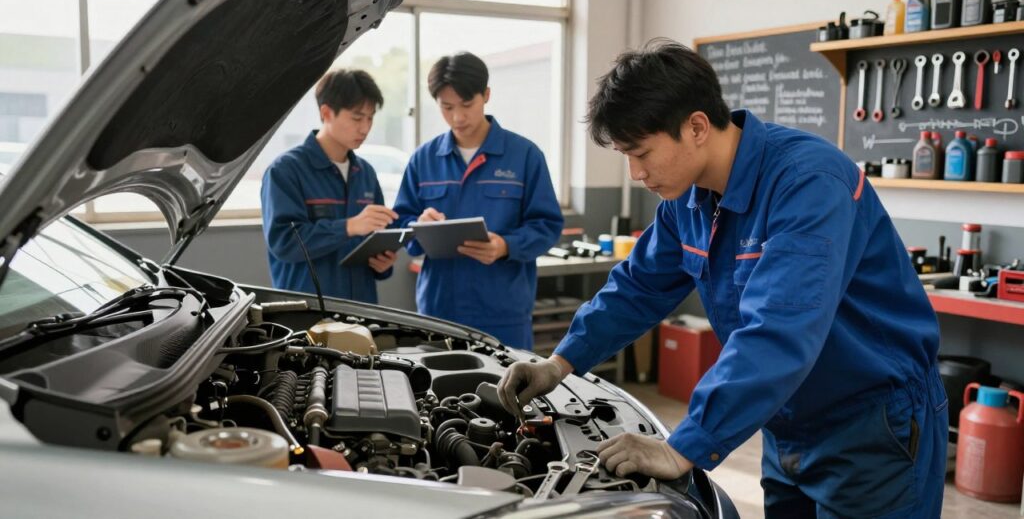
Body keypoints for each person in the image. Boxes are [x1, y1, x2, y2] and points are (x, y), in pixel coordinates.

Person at [497, 40, 947, 518]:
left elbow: (779, 330)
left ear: (695, 127)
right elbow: (638, 286)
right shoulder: (686, 200)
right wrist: (560, 364)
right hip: (787, 420)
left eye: (642, 153)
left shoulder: (808, 183)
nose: (635, 173)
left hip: (874, 426)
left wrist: (683, 447)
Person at [393, 52, 563, 349]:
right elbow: (402, 225)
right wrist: (418, 225)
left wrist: (506, 245)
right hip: (438, 310)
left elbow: (547, 225)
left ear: (486, 95)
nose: (457, 117)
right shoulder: (424, 159)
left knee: (508, 393)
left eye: (466, 105)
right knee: (435, 392)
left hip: (503, 312)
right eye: (446, 107)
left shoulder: (524, 156)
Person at [261, 68, 398, 303]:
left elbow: (373, 241)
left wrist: (383, 264)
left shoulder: (365, 173)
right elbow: (284, 243)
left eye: (370, 117)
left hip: (361, 311)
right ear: (326, 113)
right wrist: (348, 227)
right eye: (357, 117)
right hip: (308, 314)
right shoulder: (285, 171)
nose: (365, 128)